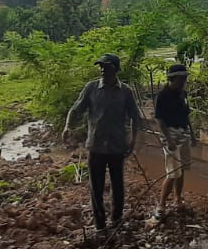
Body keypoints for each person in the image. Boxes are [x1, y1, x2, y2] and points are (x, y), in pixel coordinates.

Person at [63, 53, 143, 234]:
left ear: (115, 69)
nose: (101, 69)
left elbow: (135, 118)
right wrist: (67, 126)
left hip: (117, 145)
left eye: (105, 66)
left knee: (118, 184)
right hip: (96, 145)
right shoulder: (91, 88)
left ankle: (117, 218)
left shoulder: (125, 91)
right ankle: (100, 225)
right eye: (100, 66)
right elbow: (75, 109)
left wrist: (133, 139)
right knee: (96, 187)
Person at [154, 63, 196, 216]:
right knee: (172, 172)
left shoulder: (182, 94)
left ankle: (177, 199)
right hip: (170, 134)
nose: (184, 81)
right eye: (181, 78)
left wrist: (191, 134)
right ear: (172, 78)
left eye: (185, 78)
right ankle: (161, 204)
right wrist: (168, 140)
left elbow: (186, 115)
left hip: (182, 132)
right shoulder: (162, 95)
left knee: (182, 168)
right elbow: (159, 119)